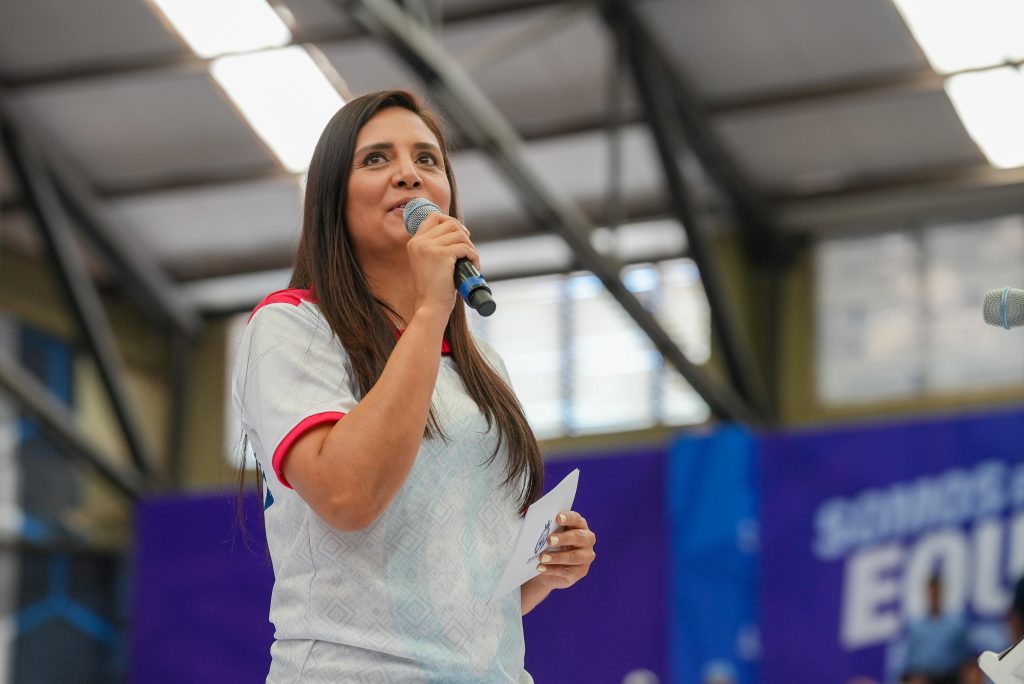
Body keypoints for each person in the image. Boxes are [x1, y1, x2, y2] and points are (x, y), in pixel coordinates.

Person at [232, 89, 597, 682]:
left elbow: (468, 599)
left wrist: (542, 571)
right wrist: (431, 309)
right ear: (332, 197)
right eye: (376, 159)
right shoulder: (291, 327)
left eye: (427, 159)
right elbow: (348, 497)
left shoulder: (482, 366)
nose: (409, 174)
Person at [901, 573, 970, 684]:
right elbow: (909, 659)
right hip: (923, 679)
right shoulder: (916, 627)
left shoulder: (956, 626)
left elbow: (964, 658)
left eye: (936, 593)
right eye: (931, 593)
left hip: (950, 679)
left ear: (942, 593)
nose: (934, 596)